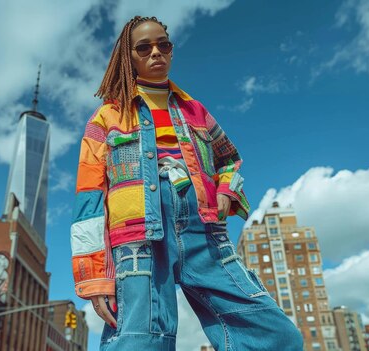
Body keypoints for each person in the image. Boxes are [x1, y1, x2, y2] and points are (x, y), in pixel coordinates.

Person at [70, 15, 304, 351]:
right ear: (129, 55)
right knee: (140, 344)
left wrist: (226, 190)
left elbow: (229, 159)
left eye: (163, 44)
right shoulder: (108, 116)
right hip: (138, 242)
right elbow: (89, 199)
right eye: (144, 47)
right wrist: (94, 279)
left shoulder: (196, 111)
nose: (156, 53)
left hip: (205, 235)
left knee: (277, 337)